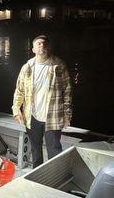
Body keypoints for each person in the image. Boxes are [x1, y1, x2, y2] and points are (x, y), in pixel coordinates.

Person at [12, 35, 72, 168]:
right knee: (35, 150)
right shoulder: (27, 67)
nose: (42, 45)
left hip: (53, 117)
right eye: (38, 43)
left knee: (54, 150)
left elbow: (67, 91)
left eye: (44, 44)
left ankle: (55, 176)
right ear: (33, 49)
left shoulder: (59, 65)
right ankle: (37, 174)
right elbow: (19, 90)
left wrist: (67, 115)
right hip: (32, 116)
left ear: (48, 47)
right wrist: (16, 109)